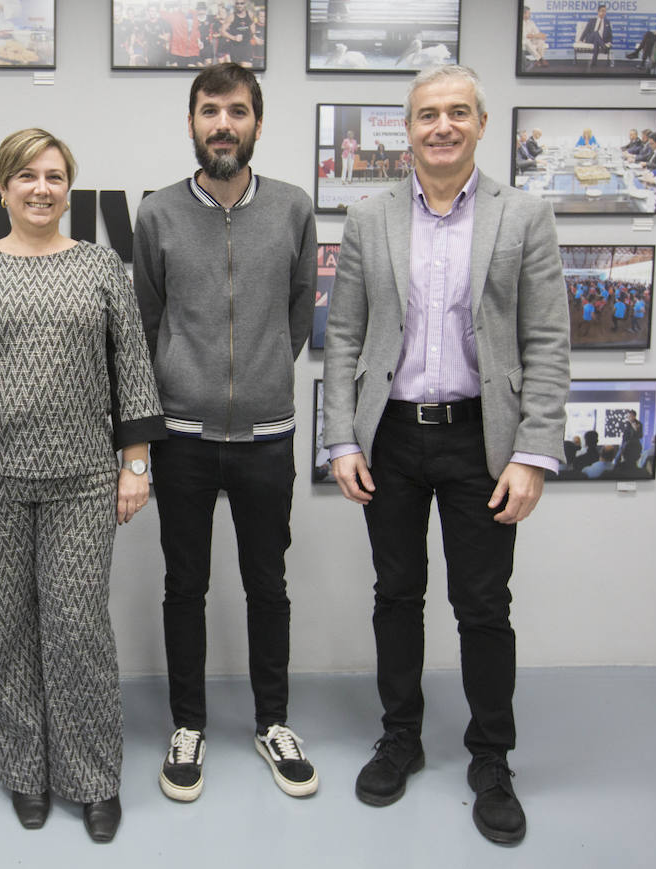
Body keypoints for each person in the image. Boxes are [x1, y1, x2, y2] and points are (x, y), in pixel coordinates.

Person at [322, 64, 569, 845]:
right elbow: (345, 338)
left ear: (481, 124)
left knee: (483, 605)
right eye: (428, 114)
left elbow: (547, 341)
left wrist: (533, 451)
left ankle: (491, 760)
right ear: (410, 127)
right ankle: (400, 737)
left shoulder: (523, 215)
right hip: (391, 435)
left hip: (481, 438)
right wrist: (340, 436)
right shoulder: (369, 218)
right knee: (396, 595)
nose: (442, 126)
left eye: (458, 112)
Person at [0, 129, 164, 843]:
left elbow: (132, 371)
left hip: (82, 478)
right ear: (2, 188)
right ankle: (25, 770)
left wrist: (135, 463)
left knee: (78, 629)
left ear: (69, 187)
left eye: (55, 176)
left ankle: (92, 777)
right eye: (27, 176)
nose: (42, 188)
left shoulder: (100, 268)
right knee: (4, 631)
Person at [134, 63, 318, 804]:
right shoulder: (157, 215)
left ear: (256, 125)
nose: (222, 124)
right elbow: (145, 321)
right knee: (185, 584)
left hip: (268, 437)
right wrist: (175, 390)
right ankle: (189, 725)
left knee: (267, 585)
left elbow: (300, 312)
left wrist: (266, 375)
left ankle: (273, 721)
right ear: (191, 123)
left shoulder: (294, 209)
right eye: (209, 110)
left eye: (236, 111)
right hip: (181, 436)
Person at [580, 4, 613, 69]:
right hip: (590, 39)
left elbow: (610, 34)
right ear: (598, 12)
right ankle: (604, 48)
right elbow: (586, 30)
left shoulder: (607, 22)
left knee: (596, 41)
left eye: (605, 11)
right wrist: (581, 39)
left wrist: (609, 42)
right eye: (602, 11)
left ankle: (593, 62)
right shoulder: (592, 20)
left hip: (599, 40)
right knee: (595, 33)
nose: (603, 13)